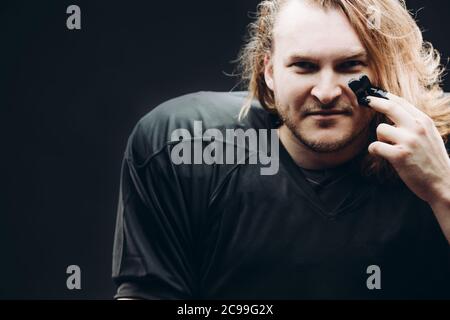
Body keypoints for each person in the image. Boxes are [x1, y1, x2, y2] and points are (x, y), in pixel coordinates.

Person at [112, 0, 450, 299]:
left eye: (350, 66)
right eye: (304, 66)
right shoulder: (188, 146)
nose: (326, 91)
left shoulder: (441, 148)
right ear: (269, 71)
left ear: (386, 68)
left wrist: (442, 187)